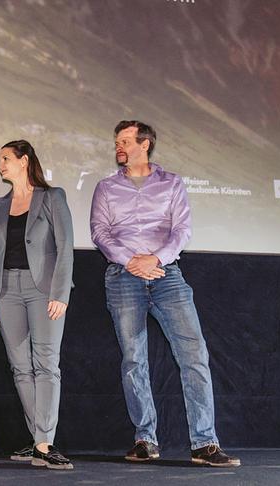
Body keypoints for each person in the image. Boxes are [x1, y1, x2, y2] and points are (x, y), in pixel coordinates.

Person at [89, 120, 240, 467]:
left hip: (168, 275)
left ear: (145, 144)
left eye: (125, 140)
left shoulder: (171, 183)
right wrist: (132, 261)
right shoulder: (106, 187)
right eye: (117, 141)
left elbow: (182, 229)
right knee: (133, 360)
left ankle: (204, 443)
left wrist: (155, 259)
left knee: (194, 355)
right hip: (123, 276)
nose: (119, 146)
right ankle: (145, 439)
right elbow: (100, 233)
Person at [0, 140, 74, 470]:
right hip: (6, 292)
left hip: (43, 290)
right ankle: (39, 441)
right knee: (21, 367)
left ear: (24, 160)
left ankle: (44, 441)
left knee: (46, 364)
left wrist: (61, 293)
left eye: (5, 158)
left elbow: (65, 248)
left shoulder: (52, 197)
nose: (0, 164)